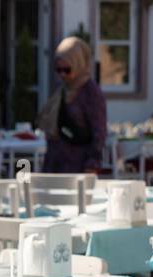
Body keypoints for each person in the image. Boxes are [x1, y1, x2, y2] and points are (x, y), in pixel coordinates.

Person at [38, 36, 107, 175]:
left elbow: (99, 132)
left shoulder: (90, 92)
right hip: (54, 164)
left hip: (78, 165)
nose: (63, 74)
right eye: (58, 70)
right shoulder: (62, 89)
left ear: (78, 64)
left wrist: (92, 164)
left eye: (67, 69)